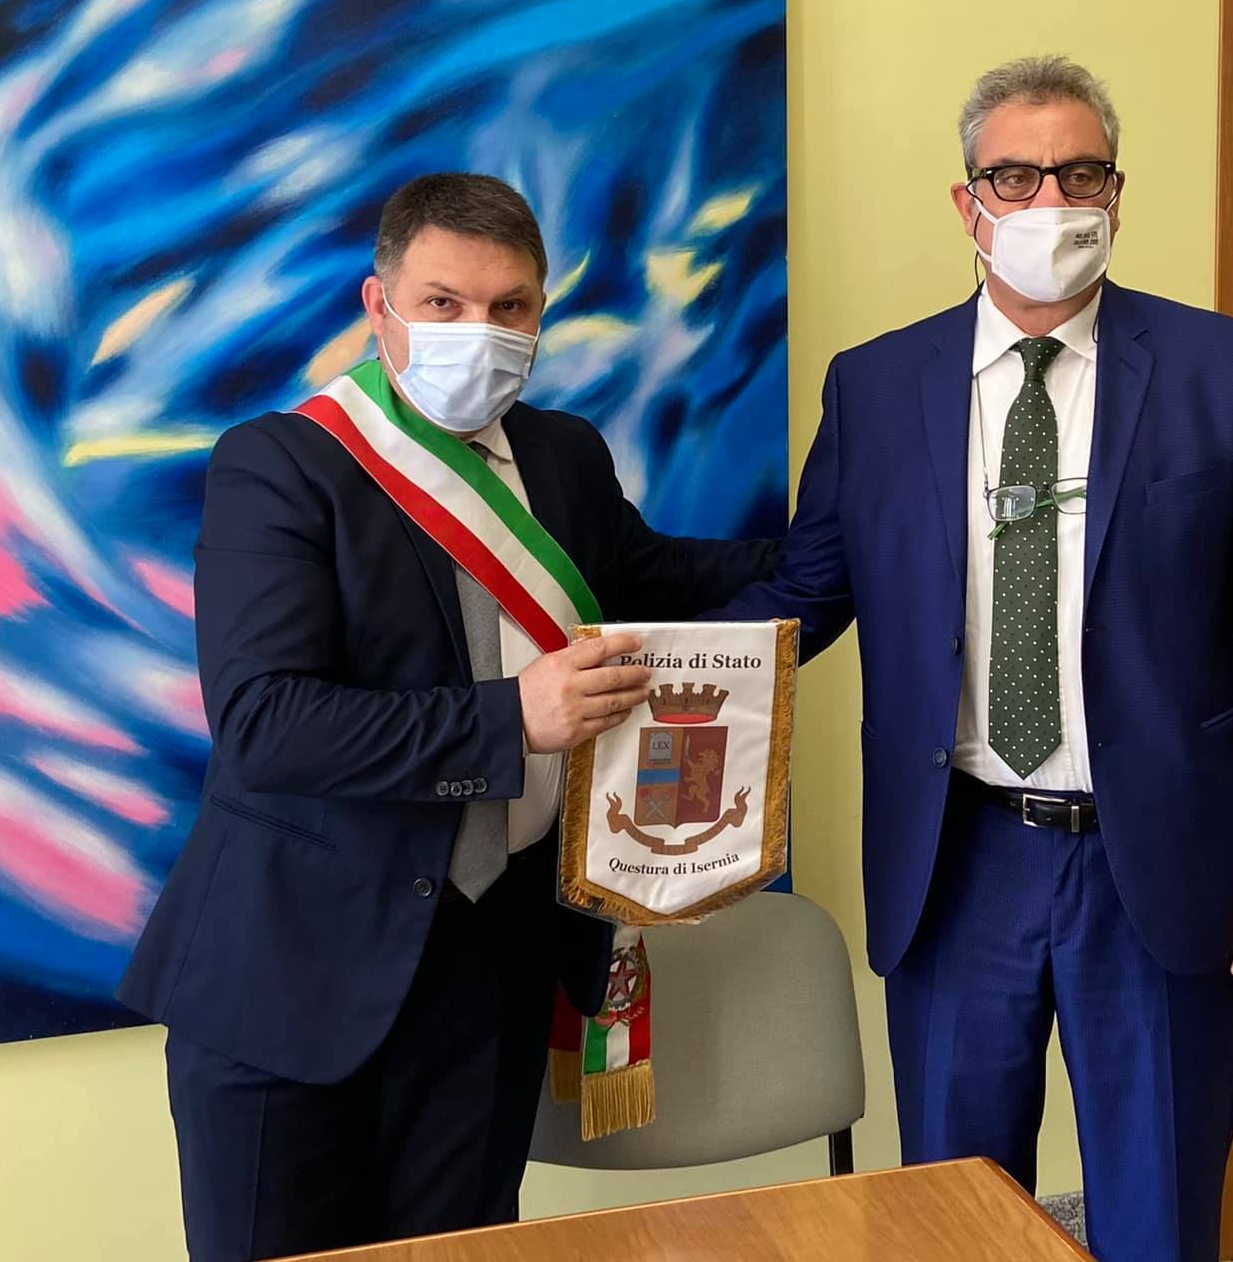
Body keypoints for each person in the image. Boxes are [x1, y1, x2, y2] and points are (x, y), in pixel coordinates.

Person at [712, 56, 1233, 1260]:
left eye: (1078, 172)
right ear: (968, 203)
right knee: (957, 1218)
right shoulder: (876, 385)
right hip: (957, 859)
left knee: (1160, 1214)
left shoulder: (1219, 370)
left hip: (1161, 862)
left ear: (1116, 195)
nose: (1049, 198)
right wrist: (645, 662)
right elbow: (807, 592)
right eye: (1014, 175)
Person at [118, 172, 780, 1262]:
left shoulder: (565, 456)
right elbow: (266, 724)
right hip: (293, 973)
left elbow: (673, 579)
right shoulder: (280, 463)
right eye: (443, 303)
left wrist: (863, 548)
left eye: (510, 306)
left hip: (491, 966)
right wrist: (512, 718)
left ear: (541, 312)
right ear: (379, 305)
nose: (480, 332)